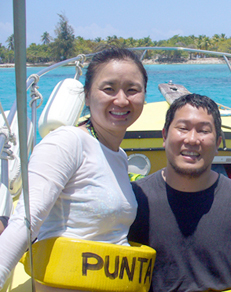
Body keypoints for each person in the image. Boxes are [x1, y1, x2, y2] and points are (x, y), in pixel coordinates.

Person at [0, 47, 148, 289]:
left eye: (132, 90)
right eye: (108, 89)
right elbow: (26, 221)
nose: (121, 100)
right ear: (87, 97)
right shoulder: (67, 142)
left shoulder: (119, 157)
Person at [128, 94, 231, 291]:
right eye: (183, 128)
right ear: (164, 136)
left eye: (203, 131)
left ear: (217, 143)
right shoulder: (136, 199)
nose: (192, 139)